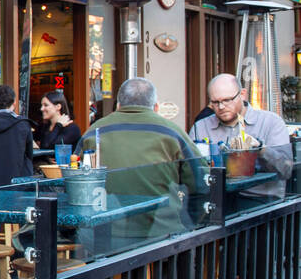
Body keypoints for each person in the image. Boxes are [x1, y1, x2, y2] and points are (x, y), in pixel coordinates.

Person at [77, 77, 204, 242]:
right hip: (161, 235)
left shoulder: (94, 131)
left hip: (104, 234)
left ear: (118, 105)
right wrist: (191, 223)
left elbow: (75, 180)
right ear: (156, 107)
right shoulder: (173, 132)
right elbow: (201, 183)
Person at [189, 73, 293, 200]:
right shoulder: (200, 127)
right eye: (215, 102)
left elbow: (286, 170)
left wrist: (261, 149)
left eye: (227, 100)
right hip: (215, 199)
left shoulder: (271, 122)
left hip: (260, 200)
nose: (221, 107)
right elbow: (190, 170)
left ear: (242, 94)